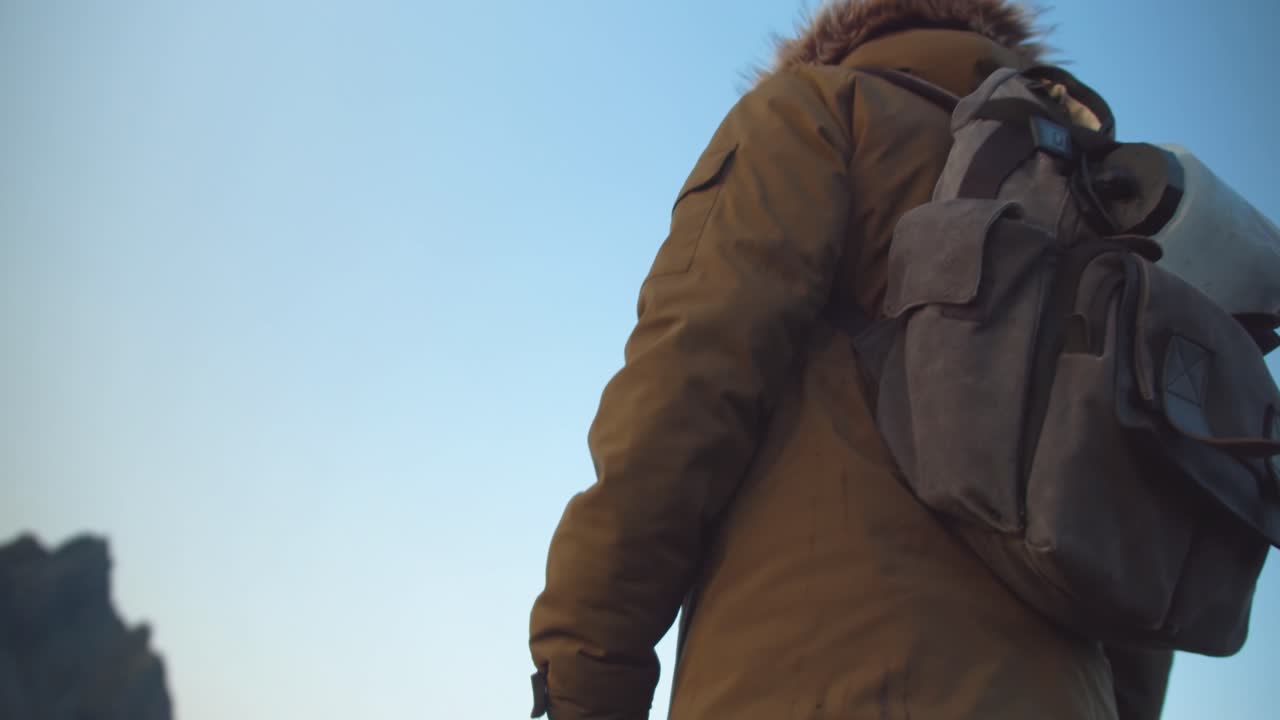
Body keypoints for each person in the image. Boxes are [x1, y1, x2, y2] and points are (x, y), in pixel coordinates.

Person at [529, 1, 1173, 718]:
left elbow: (685, 388)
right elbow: (1138, 521)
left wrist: (585, 677)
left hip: (811, 679)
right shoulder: (1092, 205)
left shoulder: (821, 110)